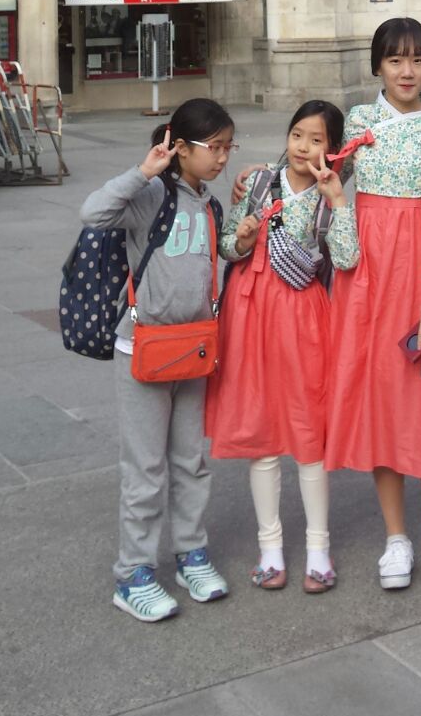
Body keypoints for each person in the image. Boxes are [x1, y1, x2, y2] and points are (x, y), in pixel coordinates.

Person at [324, 17, 421, 591]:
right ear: (378, 66)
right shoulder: (358, 121)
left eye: (416, 59)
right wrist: (261, 184)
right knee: (380, 398)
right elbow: (321, 176)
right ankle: (395, 537)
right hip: (367, 277)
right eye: (394, 60)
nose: (406, 71)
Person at [80, 99, 234, 623]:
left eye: (228, 147)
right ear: (181, 147)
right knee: (145, 469)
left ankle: (192, 554)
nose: (222, 157)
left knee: (191, 461)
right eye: (215, 147)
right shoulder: (151, 196)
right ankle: (133, 574)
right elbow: (94, 212)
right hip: (144, 350)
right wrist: (143, 171)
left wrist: (241, 238)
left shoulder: (209, 204)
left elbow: (222, 254)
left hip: (194, 348)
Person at [206, 100, 346, 594]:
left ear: (333, 149)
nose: (303, 147)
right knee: (260, 432)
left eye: (316, 140)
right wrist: (243, 240)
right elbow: (226, 244)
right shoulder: (260, 182)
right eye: (297, 135)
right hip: (249, 314)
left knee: (309, 432)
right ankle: (270, 547)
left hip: (303, 317)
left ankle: (318, 549)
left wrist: (339, 202)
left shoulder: (330, 195)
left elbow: (347, 257)